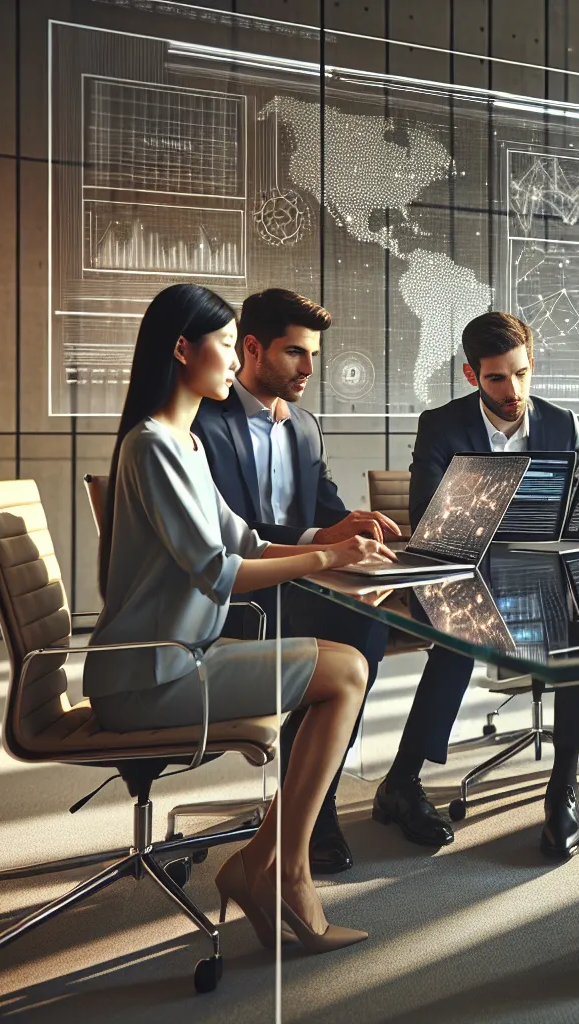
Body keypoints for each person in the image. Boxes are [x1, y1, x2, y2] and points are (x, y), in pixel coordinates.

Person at [84, 283, 395, 955]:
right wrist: (325, 556)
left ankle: (273, 865)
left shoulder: (183, 445)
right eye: (226, 346)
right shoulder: (153, 447)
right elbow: (219, 570)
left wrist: (338, 551)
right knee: (346, 672)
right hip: (150, 674)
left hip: (184, 654)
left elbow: (249, 544)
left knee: (348, 666)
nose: (233, 361)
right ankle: (281, 870)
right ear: (182, 349)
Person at [194, 287, 400, 876]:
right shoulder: (203, 423)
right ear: (251, 349)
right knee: (359, 630)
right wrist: (323, 542)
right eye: (294, 353)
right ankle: (318, 806)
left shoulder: (305, 426)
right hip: (235, 597)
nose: (310, 368)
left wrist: (355, 527)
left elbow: (323, 510)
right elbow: (230, 531)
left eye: (313, 354)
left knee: (371, 614)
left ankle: (311, 795)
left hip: (299, 585)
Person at [383, 311, 579, 861]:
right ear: (471, 375)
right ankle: (402, 782)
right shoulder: (441, 425)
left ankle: (564, 785)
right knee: (458, 642)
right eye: (497, 378)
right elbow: (429, 517)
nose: (513, 390)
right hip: (465, 576)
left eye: (521, 374)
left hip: (542, 577)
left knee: (578, 629)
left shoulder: (561, 422)